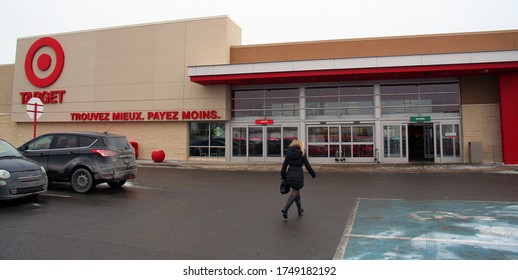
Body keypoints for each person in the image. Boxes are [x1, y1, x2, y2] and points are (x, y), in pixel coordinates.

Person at [280, 139, 316, 219]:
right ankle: (285, 209)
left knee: (297, 192)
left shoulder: (288, 153)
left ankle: (300, 210)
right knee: (295, 192)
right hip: (298, 176)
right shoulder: (302, 153)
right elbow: (307, 165)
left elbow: (284, 166)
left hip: (289, 175)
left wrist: (283, 176)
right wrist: (313, 174)